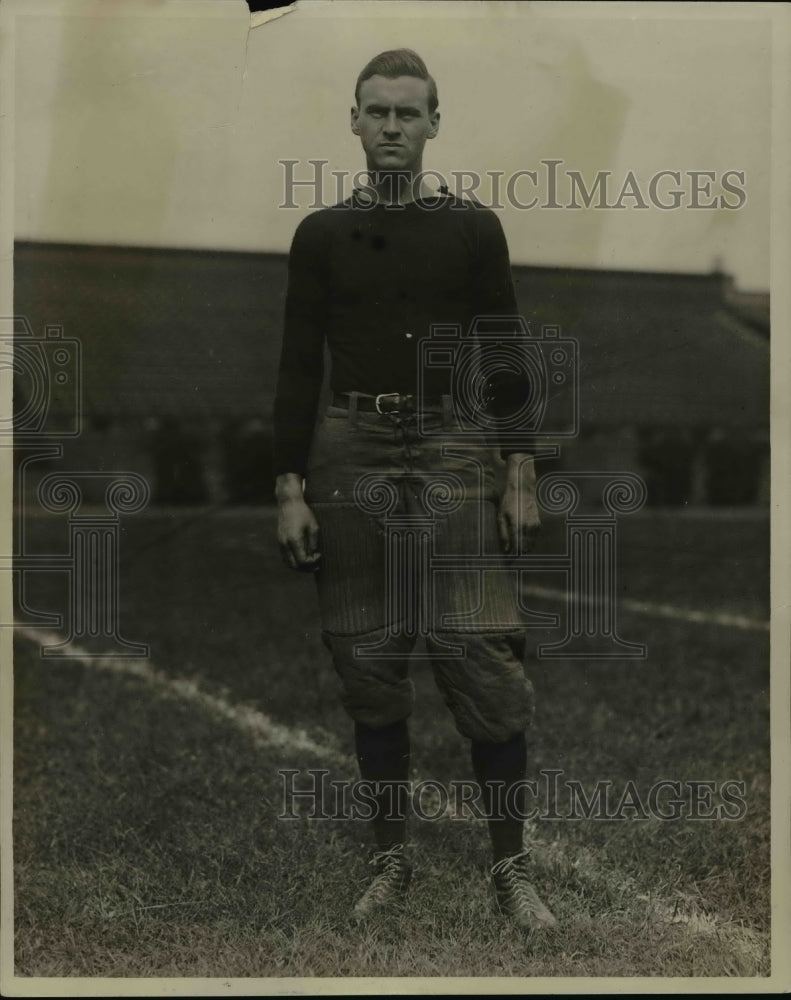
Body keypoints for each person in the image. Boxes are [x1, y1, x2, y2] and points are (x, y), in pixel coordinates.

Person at [273, 48, 556, 931]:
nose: (391, 127)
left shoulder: (473, 230)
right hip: (350, 444)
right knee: (368, 655)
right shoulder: (320, 235)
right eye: (376, 112)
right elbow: (294, 365)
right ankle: (390, 859)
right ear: (352, 123)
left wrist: (518, 471)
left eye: (407, 113)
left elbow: (506, 353)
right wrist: (289, 486)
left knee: (481, 652)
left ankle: (510, 870)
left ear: (435, 123)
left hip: (452, 445)